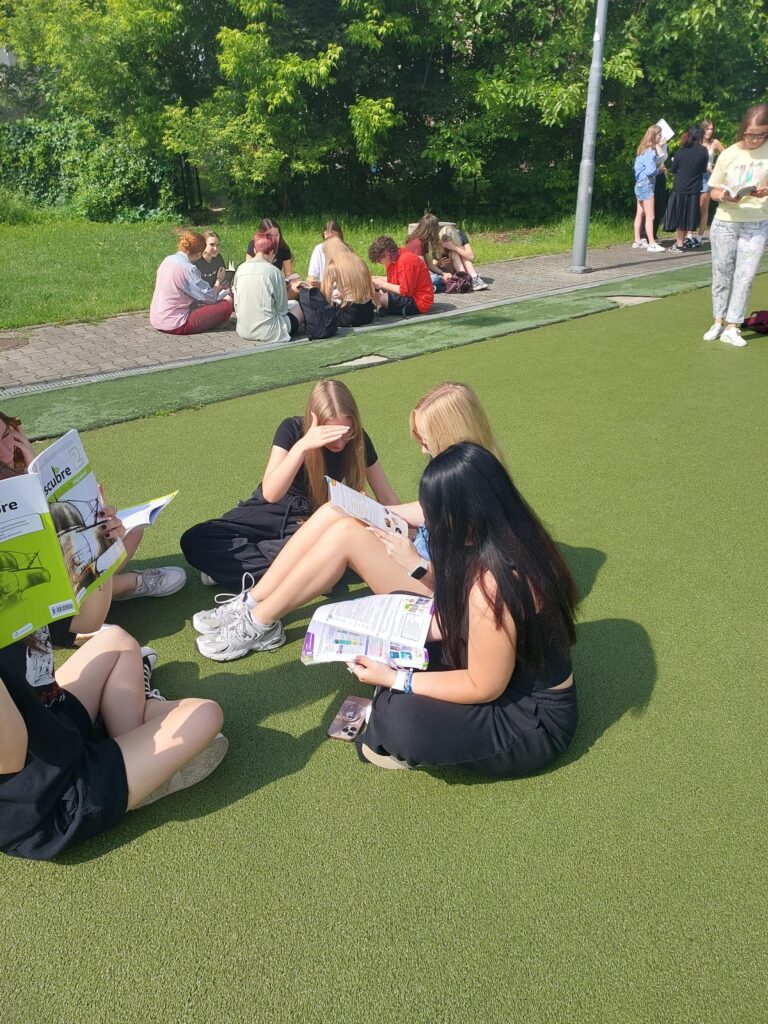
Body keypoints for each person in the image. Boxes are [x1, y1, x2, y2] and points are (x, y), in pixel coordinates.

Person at [0, 460, 228, 862]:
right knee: (205, 714)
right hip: (46, 799)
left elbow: (88, 622)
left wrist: (98, 550)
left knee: (117, 640)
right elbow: (10, 755)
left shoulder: (18, 583)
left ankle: (129, 744)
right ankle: (135, 763)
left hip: (51, 719)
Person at [191, 382, 503, 662]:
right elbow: (420, 514)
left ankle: (260, 622)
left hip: (440, 592)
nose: (422, 446)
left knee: (344, 535)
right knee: (336, 511)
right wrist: (365, 510)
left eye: (426, 437)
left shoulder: (470, 483)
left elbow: (465, 578)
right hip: (424, 564)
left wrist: (415, 562)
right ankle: (251, 601)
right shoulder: (472, 469)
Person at [347, 442, 579, 776]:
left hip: (531, 718)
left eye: (435, 518)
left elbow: (483, 686)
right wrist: (417, 574)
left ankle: (391, 712)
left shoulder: (494, 586)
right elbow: (463, 609)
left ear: (466, 519)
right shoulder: (512, 535)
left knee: (398, 718)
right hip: (507, 669)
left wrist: (396, 679)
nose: (429, 526)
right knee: (408, 645)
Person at [180, 379, 399, 593]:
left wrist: (407, 535)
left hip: (310, 520)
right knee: (195, 539)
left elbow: (386, 495)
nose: (340, 442)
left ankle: (240, 571)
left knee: (337, 543)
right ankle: (309, 573)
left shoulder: (359, 440)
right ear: (314, 421)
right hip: (267, 510)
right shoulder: (292, 429)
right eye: (330, 434)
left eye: (346, 433)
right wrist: (302, 446)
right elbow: (271, 493)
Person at [0, 411, 186, 603]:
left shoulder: (19, 466)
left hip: (66, 568)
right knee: (89, 583)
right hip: (27, 594)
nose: (5, 452)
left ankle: (104, 586)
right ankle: (124, 585)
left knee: (132, 531)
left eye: (6, 436)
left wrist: (99, 520)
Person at [704, 104, 768, 348]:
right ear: (743, 130)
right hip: (725, 221)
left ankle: (733, 326)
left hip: (757, 222)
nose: (755, 140)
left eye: (761, 135)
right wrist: (724, 196)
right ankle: (718, 321)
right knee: (721, 272)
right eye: (751, 134)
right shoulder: (729, 153)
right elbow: (713, 190)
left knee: (745, 276)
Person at [149, 230, 233, 335]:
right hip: (177, 323)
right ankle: (215, 322)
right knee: (226, 306)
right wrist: (219, 281)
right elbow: (209, 298)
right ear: (199, 253)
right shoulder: (188, 269)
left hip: (156, 319)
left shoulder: (167, 260)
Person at [232, 231, 304, 343]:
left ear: (255, 250)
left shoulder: (240, 269)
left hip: (243, 330)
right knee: (299, 307)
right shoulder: (274, 272)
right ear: (272, 252)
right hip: (270, 332)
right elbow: (282, 309)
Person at [664, 126, 709, 252]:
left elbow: (673, 169)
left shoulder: (682, 150)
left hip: (680, 187)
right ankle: (682, 241)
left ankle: (679, 244)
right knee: (688, 215)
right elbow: (703, 170)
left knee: (679, 215)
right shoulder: (703, 151)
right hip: (695, 189)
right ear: (700, 137)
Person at [368, 236, 434, 317]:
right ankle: (380, 307)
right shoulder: (392, 260)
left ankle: (382, 307)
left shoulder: (407, 261)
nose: (379, 263)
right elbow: (394, 280)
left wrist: (382, 284)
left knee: (384, 298)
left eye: (379, 260)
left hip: (419, 301)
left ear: (387, 254)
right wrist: (376, 279)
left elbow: (406, 291)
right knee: (372, 285)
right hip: (408, 294)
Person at [321, 236, 375, 327]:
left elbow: (326, 298)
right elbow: (371, 291)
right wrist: (343, 295)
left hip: (350, 315)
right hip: (368, 312)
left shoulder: (333, 267)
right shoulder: (358, 261)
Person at [632, 125, 665, 252]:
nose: (660, 137)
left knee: (640, 213)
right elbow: (650, 171)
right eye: (659, 135)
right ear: (653, 136)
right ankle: (652, 243)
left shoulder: (642, 150)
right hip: (647, 184)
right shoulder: (650, 151)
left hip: (639, 184)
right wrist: (660, 170)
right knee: (650, 216)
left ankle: (637, 241)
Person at [404, 215, 452, 292]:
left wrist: (443, 273)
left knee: (444, 277)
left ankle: (432, 288)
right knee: (440, 280)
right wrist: (441, 278)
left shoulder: (424, 242)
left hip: (418, 275)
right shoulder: (417, 243)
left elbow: (429, 265)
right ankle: (429, 288)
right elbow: (422, 270)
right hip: (411, 277)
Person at [696, 120, 725, 243]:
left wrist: (715, 170)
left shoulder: (715, 142)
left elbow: (727, 157)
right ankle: (689, 234)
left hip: (707, 176)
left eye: (712, 129)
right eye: (707, 129)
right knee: (692, 206)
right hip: (694, 176)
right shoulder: (696, 142)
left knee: (703, 207)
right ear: (702, 129)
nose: (710, 131)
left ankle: (699, 237)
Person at [438, 224, 488, 291]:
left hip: (465, 267)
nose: (447, 242)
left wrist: (454, 247)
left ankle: (474, 277)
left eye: (449, 240)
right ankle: (464, 279)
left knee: (463, 253)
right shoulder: (439, 243)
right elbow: (436, 265)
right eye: (445, 240)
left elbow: (471, 257)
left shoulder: (460, 235)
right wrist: (442, 262)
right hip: (451, 270)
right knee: (454, 254)